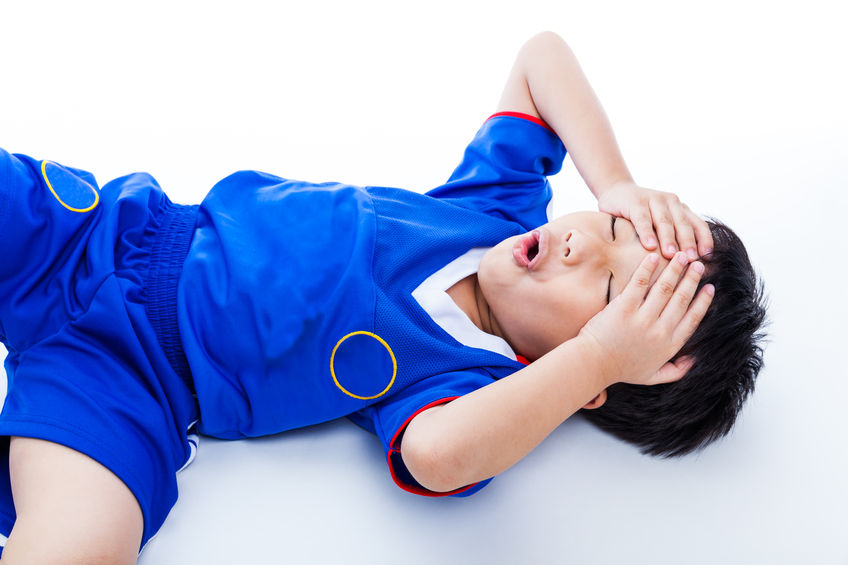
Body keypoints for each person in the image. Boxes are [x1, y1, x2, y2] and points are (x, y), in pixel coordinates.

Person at [0, 31, 765, 563]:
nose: (584, 242)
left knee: (85, 545)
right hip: (98, 234)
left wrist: (601, 357)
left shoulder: (471, 385)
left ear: (582, 379)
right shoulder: (493, 209)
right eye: (613, 228)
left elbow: (437, 456)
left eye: (604, 285)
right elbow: (542, 57)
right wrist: (619, 183)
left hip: (135, 388)